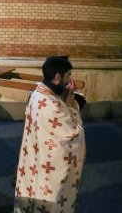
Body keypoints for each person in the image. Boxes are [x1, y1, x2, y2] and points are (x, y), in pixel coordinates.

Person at [14, 57, 86, 213]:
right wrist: (71, 104)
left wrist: (67, 99)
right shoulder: (52, 105)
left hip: (36, 162)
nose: (70, 81)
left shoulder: (37, 93)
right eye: (68, 76)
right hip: (49, 171)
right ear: (58, 77)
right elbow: (73, 134)